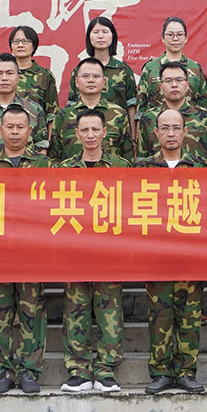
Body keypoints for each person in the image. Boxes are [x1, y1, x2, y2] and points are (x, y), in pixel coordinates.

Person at [0, 105, 48, 394]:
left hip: (32, 252)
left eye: (20, 127)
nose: (15, 132)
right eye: (10, 127)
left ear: (30, 131)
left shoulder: (44, 165)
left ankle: (30, 370)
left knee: (32, 312)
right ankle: (3, 371)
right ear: (0, 129)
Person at [58, 110, 130, 393]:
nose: (90, 135)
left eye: (95, 130)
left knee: (109, 311)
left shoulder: (120, 166)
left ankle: (106, 370)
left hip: (109, 252)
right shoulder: (64, 169)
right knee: (75, 311)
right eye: (84, 130)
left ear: (104, 132)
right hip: (74, 252)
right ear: (77, 134)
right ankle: (78, 370)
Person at [139, 110, 207, 395]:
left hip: (191, 256)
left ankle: (187, 371)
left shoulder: (200, 168)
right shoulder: (143, 169)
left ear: (184, 132)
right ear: (155, 133)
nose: (170, 133)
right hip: (156, 256)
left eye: (176, 128)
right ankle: (161, 372)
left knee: (189, 315)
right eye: (164, 128)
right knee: (160, 316)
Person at [50, 57, 134, 162]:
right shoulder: (63, 115)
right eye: (85, 76)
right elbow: (54, 158)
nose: (91, 80)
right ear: (76, 82)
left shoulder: (119, 114)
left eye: (96, 76)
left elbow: (127, 157)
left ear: (104, 82)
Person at [67, 16, 137, 131]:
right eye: (95, 32)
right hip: (86, 133)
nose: (100, 36)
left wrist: (133, 135)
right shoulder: (79, 71)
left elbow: (131, 105)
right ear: (89, 37)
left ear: (112, 36)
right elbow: (71, 105)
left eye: (105, 32)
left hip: (116, 131)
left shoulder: (124, 70)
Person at [135, 61, 207, 163]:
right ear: (160, 86)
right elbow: (142, 158)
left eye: (179, 80)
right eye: (168, 81)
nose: (174, 85)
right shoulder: (148, 118)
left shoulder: (204, 117)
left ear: (187, 85)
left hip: (195, 172)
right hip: (159, 172)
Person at [136, 16, 207, 112]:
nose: (175, 38)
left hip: (189, 121)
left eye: (180, 34)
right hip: (157, 120)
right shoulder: (150, 68)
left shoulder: (196, 68)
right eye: (170, 34)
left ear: (186, 38)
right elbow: (141, 107)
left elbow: (203, 106)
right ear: (163, 38)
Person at [7, 25, 59, 123]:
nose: (20, 45)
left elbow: (52, 113)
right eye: (16, 41)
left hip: (37, 130)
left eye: (25, 41)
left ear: (34, 45)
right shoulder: (3, 74)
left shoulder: (44, 76)